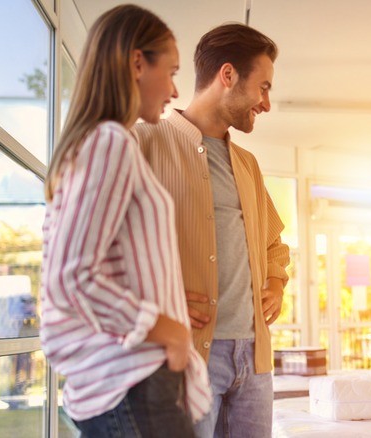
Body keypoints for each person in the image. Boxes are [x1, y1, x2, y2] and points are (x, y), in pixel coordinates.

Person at [40, 4, 211, 437]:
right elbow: (71, 276)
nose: (175, 91)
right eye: (171, 72)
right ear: (138, 62)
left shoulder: (102, 143)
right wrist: (166, 329)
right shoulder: (109, 142)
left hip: (128, 385)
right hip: (133, 386)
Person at [133, 23, 290, 437]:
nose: (267, 103)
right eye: (264, 87)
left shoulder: (248, 164)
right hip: (186, 357)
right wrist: (156, 301)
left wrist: (276, 283)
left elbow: (274, 243)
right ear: (227, 76)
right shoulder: (145, 142)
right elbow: (109, 247)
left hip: (253, 357)